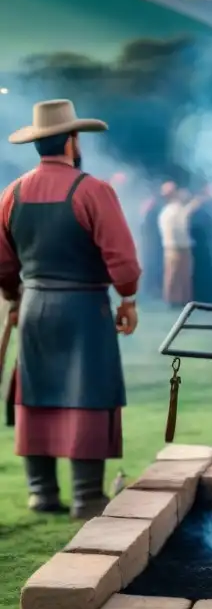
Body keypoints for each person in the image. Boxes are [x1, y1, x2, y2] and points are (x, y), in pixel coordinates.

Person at [0, 99, 140, 518]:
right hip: (84, 309)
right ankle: (87, 497)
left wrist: (13, 297)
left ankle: (41, 492)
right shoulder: (93, 190)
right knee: (87, 393)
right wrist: (128, 297)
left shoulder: (12, 193)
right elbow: (123, 259)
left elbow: (3, 262)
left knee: (37, 394)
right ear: (74, 140)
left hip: (35, 306)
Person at [158, 188, 193, 307]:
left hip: (171, 247)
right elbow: (183, 222)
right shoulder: (174, 210)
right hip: (177, 247)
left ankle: (175, 300)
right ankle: (174, 300)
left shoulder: (166, 211)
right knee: (176, 276)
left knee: (175, 275)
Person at [189, 185, 212, 304]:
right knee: (203, 274)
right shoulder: (197, 211)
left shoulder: (210, 209)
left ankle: (211, 296)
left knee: (211, 272)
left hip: (208, 245)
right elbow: (195, 229)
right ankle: (204, 297)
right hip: (201, 248)